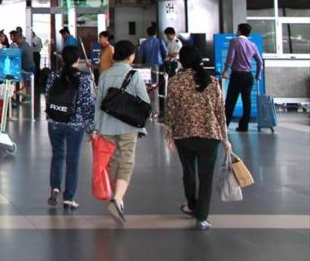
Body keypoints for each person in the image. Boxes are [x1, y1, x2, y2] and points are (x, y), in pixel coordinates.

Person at [165, 46, 229, 230]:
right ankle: (202, 217)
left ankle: (192, 205)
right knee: (206, 176)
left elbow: (170, 110)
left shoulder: (175, 82)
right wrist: (225, 138)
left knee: (189, 172)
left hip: (184, 134)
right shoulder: (212, 81)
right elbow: (220, 112)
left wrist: (169, 134)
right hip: (209, 135)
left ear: (182, 61)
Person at [94, 39, 150, 225]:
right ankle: (117, 199)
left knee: (112, 162)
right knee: (126, 162)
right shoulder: (134, 75)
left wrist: (95, 128)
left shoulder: (104, 75)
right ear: (131, 56)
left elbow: (98, 103)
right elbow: (145, 101)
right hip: (128, 127)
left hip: (107, 126)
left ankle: (116, 198)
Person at [45, 45, 96, 210]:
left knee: (57, 155)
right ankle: (68, 198)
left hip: (55, 121)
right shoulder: (84, 78)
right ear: (78, 60)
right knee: (72, 160)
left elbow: (48, 95)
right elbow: (87, 105)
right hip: (75, 123)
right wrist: (91, 128)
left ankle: (55, 188)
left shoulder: (53, 76)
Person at [222, 23, 263, 133]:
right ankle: (244, 126)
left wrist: (225, 71)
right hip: (248, 76)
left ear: (239, 31)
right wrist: (258, 75)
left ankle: (224, 126)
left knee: (230, 102)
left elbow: (230, 57)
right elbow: (260, 62)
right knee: (247, 102)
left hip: (237, 75)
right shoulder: (252, 44)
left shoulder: (234, 41)